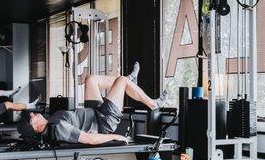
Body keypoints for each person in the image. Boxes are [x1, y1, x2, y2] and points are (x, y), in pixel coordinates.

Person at [17, 62, 168, 145]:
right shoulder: (58, 128)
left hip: (94, 112)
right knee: (121, 81)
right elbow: (91, 139)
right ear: (35, 128)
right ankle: (153, 104)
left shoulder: (50, 122)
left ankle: (129, 80)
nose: (32, 113)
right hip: (103, 121)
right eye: (31, 117)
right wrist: (115, 136)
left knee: (90, 79)